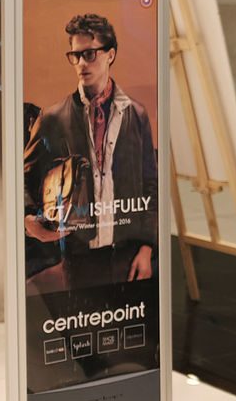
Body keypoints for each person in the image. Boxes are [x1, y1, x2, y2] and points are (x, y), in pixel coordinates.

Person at [24, 14, 158, 288]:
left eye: (90, 54)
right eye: (76, 56)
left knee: (127, 325)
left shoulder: (136, 114)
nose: (82, 63)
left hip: (128, 251)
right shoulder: (53, 118)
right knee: (82, 323)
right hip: (79, 255)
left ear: (110, 55)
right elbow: (25, 179)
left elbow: (150, 186)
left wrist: (147, 247)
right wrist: (29, 220)